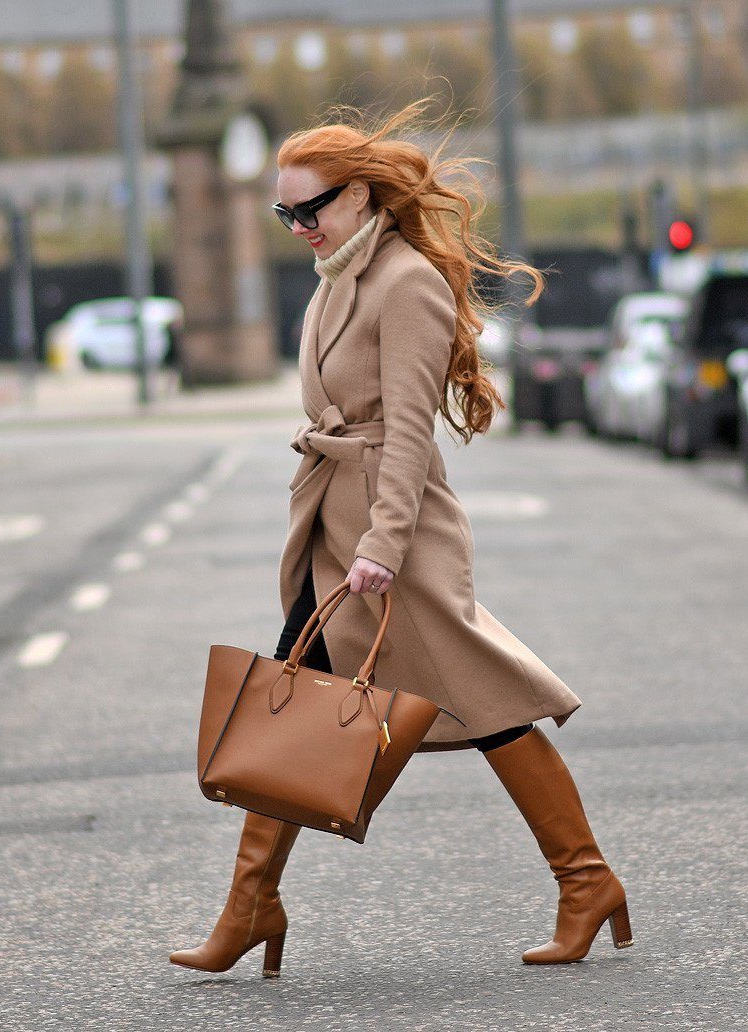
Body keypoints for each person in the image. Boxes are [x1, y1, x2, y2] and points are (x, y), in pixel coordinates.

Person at [169, 98, 633, 976]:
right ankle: (252, 904)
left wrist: (382, 543)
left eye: (312, 207)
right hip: (332, 526)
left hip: (392, 538)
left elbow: (411, 432)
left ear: (365, 195)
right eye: (286, 213)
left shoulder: (404, 282)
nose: (299, 225)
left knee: (484, 704)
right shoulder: (339, 276)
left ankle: (585, 880)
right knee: (294, 693)